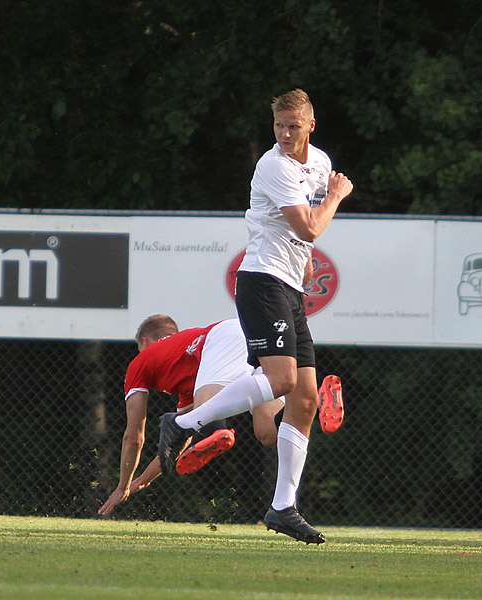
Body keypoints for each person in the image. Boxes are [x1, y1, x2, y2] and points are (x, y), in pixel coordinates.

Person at [158, 89, 353, 544]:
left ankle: (283, 507)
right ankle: (185, 423)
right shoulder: (274, 165)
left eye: (292, 125)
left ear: (310, 124)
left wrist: (303, 262)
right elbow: (310, 225)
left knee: (304, 401)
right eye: (278, 125)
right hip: (261, 281)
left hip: (289, 287)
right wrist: (339, 196)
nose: (284, 134)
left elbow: (302, 234)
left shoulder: (319, 162)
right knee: (282, 381)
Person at [98, 315, 284, 516]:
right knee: (269, 432)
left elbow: (134, 437)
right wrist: (143, 479)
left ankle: (219, 429)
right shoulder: (188, 362)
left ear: (145, 341)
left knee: (205, 408)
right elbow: (181, 437)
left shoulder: (140, 361)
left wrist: (122, 485)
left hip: (229, 335)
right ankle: (316, 401)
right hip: (259, 335)